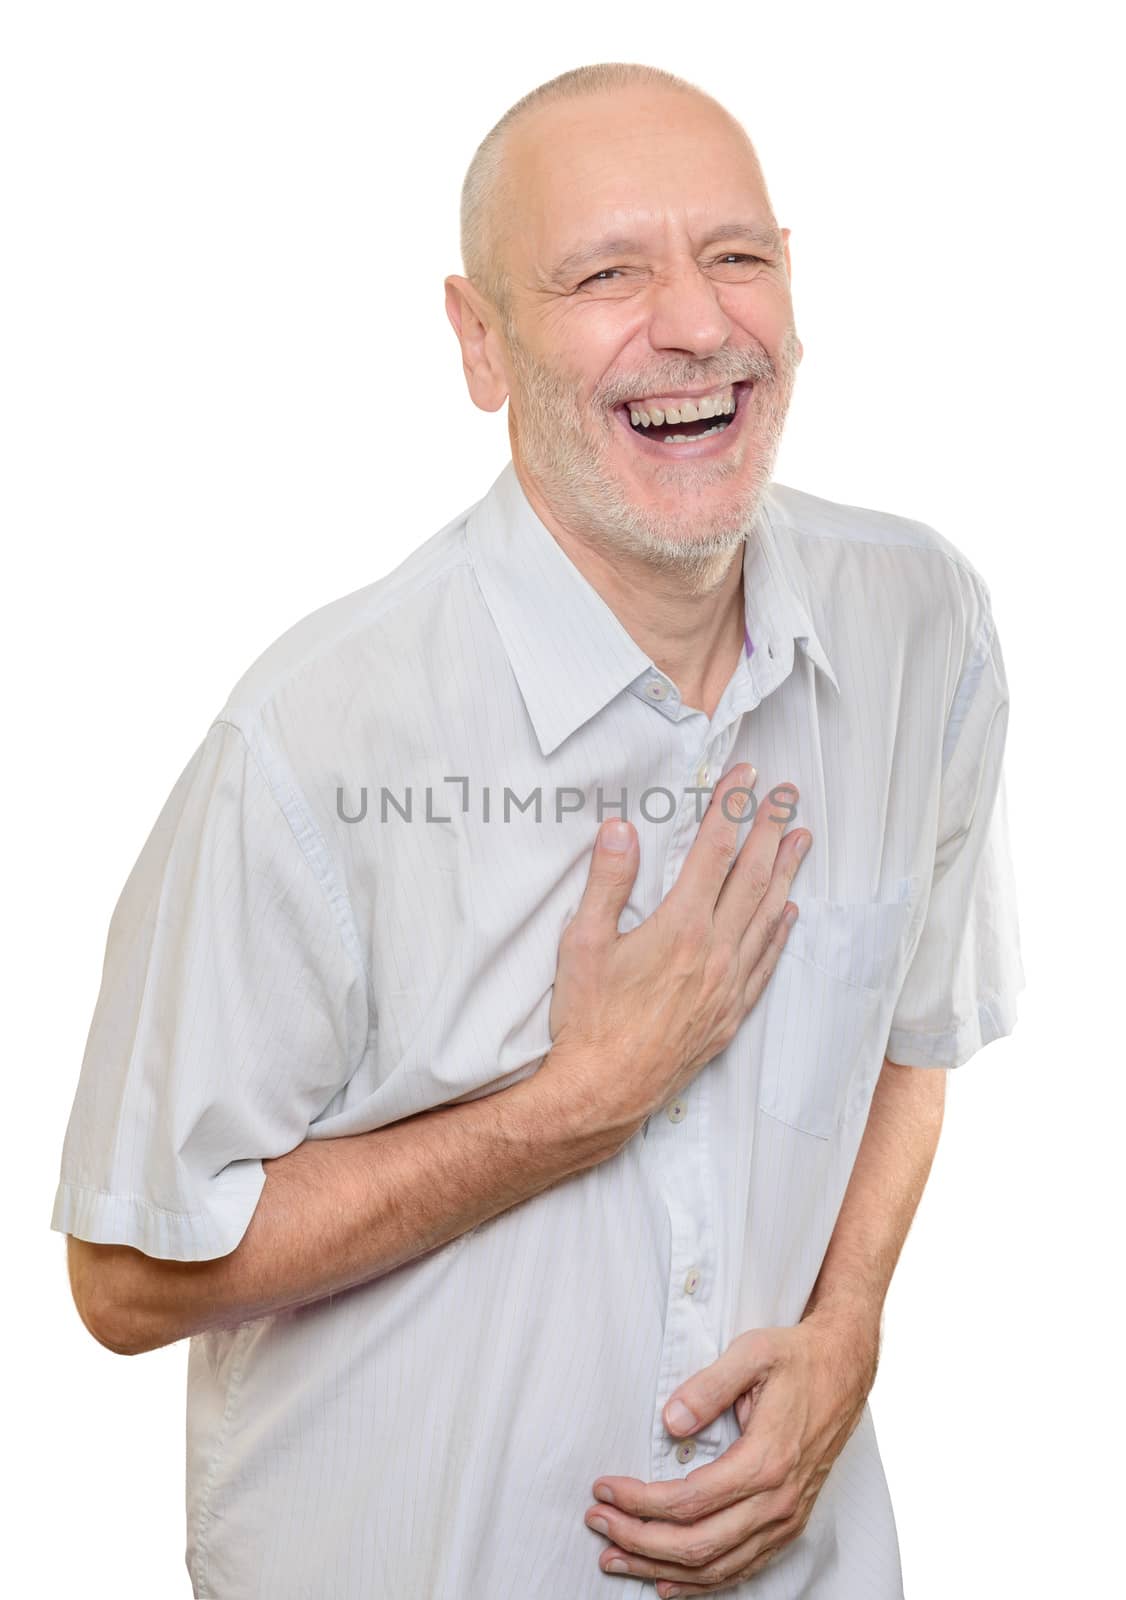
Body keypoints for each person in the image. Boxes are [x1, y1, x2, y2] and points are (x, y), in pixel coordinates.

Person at [51, 60, 1024, 1599]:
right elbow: (123, 1272)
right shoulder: (313, 741)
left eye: (737, 256)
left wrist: (849, 1330)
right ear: (479, 341)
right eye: (604, 274)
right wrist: (576, 1105)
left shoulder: (923, 628)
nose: (696, 324)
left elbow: (915, 1034)